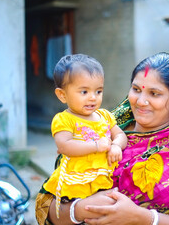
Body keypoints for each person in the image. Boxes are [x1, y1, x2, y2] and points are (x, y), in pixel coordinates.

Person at [35, 52, 169, 225]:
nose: (141, 101)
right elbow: (45, 207)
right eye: (136, 89)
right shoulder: (95, 129)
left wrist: (145, 218)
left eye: (154, 93)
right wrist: (80, 209)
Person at [42, 54, 128, 218]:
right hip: (76, 181)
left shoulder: (104, 116)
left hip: (103, 177)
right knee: (84, 214)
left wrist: (116, 145)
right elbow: (64, 146)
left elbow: (120, 134)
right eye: (84, 91)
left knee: (103, 213)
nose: (93, 97)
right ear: (62, 95)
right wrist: (96, 146)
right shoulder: (65, 119)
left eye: (98, 91)